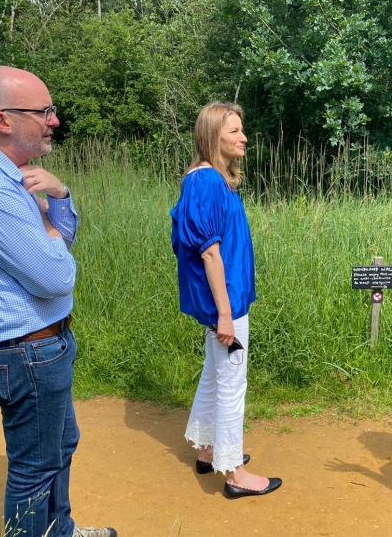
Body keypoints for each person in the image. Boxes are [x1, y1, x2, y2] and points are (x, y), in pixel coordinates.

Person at [0, 66, 116, 537]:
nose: (54, 120)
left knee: (60, 445)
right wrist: (53, 231)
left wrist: (60, 195)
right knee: (35, 469)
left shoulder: (13, 175)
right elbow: (56, 276)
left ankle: (61, 531)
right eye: (44, 111)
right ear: (3, 120)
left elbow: (61, 242)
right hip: (25, 352)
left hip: (37, 346)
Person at [170, 102, 282, 499]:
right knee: (233, 381)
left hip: (226, 300)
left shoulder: (212, 180)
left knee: (215, 373)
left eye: (242, 130)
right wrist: (224, 315)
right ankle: (234, 474)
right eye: (234, 131)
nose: (243, 138)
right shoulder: (206, 182)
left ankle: (206, 450)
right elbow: (209, 252)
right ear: (211, 136)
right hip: (227, 304)